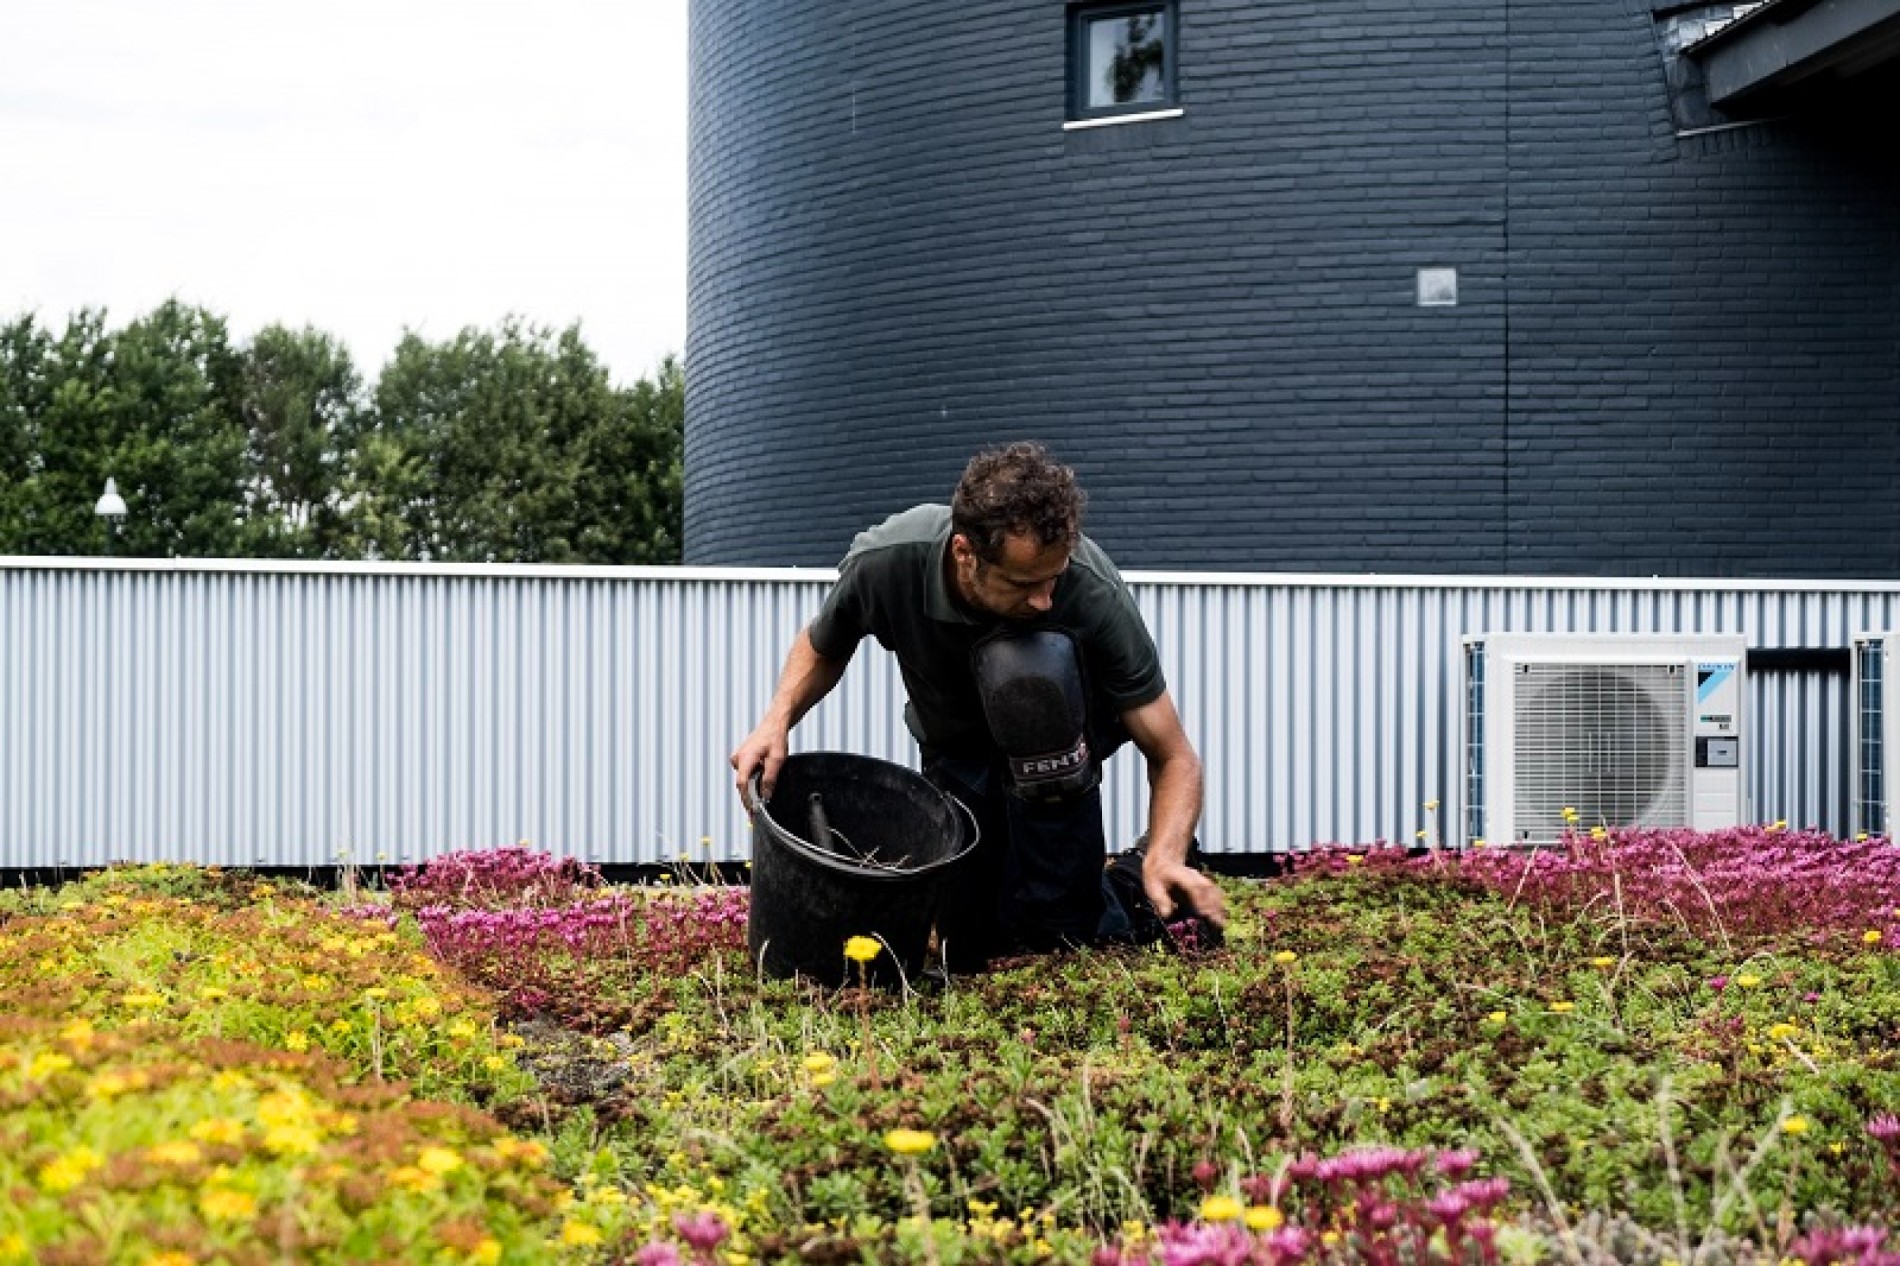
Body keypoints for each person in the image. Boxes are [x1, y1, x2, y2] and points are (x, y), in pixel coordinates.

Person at [729, 441, 1226, 970]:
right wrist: (775, 719)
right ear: (966, 553)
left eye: (1053, 579)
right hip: (956, 749)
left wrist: (1167, 852)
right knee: (970, 948)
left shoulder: (1089, 590)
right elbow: (825, 642)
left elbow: (1174, 754)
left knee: (1059, 938)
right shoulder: (889, 561)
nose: (1044, 600)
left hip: (1054, 761)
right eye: (1024, 584)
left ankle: (1138, 887)